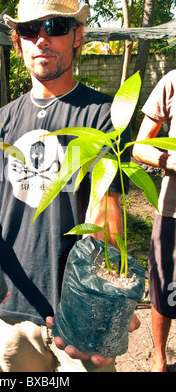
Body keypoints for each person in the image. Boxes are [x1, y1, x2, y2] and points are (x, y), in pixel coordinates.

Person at [0, 0, 139, 372]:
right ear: (18, 42)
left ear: (77, 36)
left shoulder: (104, 114)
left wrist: (107, 289)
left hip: (77, 314)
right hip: (10, 310)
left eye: (55, 26)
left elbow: (105, 207)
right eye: (30, 29)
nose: (41, 38)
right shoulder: (0, 119)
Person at [133, 70, 176, 372]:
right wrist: (171, 160)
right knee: (164, 289)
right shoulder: (172, 83)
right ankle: (159, 357)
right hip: (173, 211)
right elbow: (139, 147)